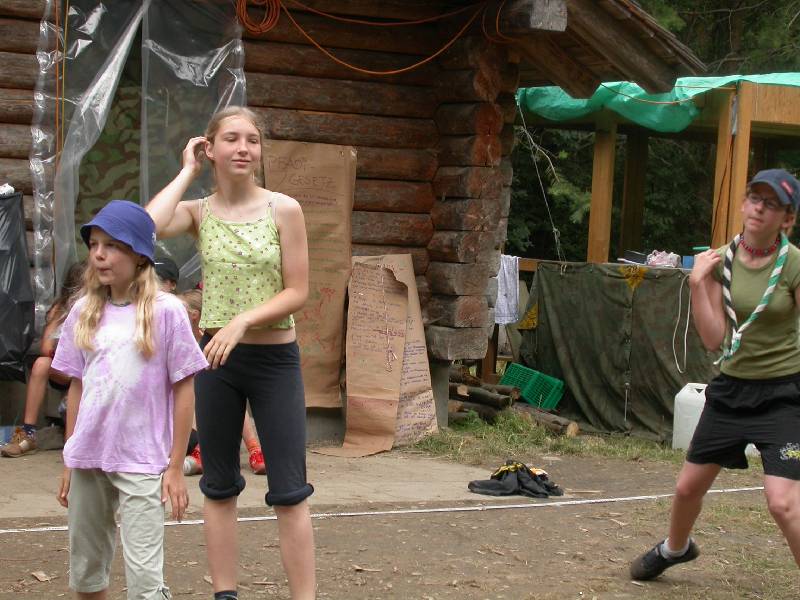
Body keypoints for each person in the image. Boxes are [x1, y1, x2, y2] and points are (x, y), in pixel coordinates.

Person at [146, 106, 315, 600]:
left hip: (275, 361)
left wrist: (242, 321)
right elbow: (148, 225)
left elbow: (298, 291)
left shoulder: (284, 208)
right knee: (219, 486)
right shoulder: (199, 212)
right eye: (232, 139)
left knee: (289, 491)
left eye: (253, 140)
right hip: (217, 362)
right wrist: (187, 170)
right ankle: (225, 595)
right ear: (211, 147)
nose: (243, 148)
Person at [630, 168, 800, 580]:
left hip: (783, 394)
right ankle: (675, 549)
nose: (759, 208)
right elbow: (712, 339)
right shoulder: (719, 261)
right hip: (731, 391)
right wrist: (696, 284)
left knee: (783, 503)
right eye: (754, 198)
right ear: (743, 204)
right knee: (687, 488)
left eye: (771, 204)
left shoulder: (794, 265)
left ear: (788, 219)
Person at [52, 200, 208, 599]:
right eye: (94, 245)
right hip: (88, 457)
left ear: (140, 254)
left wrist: (175, 467)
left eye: (112, 245)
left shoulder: (167, 311)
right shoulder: (83, 310)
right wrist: (70, 457)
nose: (99, 254)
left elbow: (184, 387)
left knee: (145, 583)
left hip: (142, 461)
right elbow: (77, 387)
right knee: (87, 575)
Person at [178, 288, 266, 476]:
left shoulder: (209, 344)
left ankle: (254, 448)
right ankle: (201, 451)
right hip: (178, 430)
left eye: (178, 312)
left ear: (193, 316)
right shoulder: (178, 341)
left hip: (203, 424)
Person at [1, 261, 85, 457]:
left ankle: (73, 442)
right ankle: (27, 433)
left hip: (89, 370)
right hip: (64, 368)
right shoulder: (61, 308)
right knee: (40, 364)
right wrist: (59, 319)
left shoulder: (103, 308)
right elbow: (46, 347)